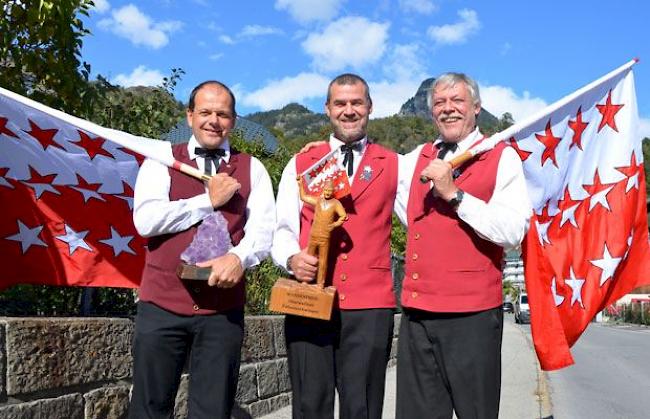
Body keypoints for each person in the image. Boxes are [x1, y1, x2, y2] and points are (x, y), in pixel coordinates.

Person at [129, 80, 275, 419]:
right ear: (190, 116)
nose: (214, 120)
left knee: (213, 410)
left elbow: (263, 229)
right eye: (206, 112)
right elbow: (146, 221)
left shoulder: (254, 168)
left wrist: (239, 257)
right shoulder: (160, 161)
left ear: (233, 120)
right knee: (148, 409)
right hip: (160, 306)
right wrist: (206, 201)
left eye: (222, 114)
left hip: (221, 314)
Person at [394, 72, 531, 419]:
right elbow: (371, 167)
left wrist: (456, 195)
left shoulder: (502, 158)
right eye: (439, 103)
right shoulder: (413, 160)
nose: (448, 109)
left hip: (472, 315)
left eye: (457, 101)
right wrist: (325, 148)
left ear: (476, 108)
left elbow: (514, 230)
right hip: (418, 312)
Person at [272, 73, 398, 419]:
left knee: (363, 407)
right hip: (308, 297)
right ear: (327, 109)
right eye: (340, 103)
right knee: (310, 404)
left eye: (357, 103)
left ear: (370, 107)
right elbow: (281, 227)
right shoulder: (301, 163)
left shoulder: (394, 164)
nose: (349, 111)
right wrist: (291, 258)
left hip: (369, 303)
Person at [297, 178, 347, 286]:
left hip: (325, 237)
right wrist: (301, 184)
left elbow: (343, 216)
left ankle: (321, 283)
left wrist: (334, 224)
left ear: (333, 191)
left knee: (323, 261)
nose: (327, 193)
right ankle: (305, 281)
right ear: (323, 190)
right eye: (326, 190)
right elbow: (303, 197)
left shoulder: (336, 203)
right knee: (309, 259)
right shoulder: (318, 200)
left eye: (330, 191)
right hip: (314, 235)